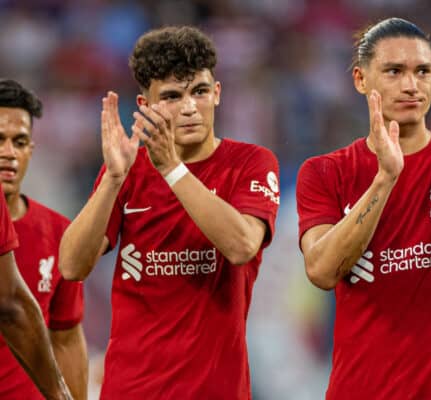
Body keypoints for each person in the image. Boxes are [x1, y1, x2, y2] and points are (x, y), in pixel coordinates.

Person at [296, 18, 431, 399]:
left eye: (422, 71)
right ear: (361, 80)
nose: (411, 85)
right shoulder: (326, 172)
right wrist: (385, 178)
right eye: (394, 71)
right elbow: (321, 271)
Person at [59, 26, 280, 399]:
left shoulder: (250, 163)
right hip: (132, 390)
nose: (190, 107)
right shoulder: (128, 170)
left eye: (200, 91)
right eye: (173, 97)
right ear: (145, 106)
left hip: (216, 390)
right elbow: (71, 266)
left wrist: (172, 169)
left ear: (218, 93)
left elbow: (242, 245)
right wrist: (113, 179)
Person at [0, 81, 77, 399]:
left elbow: (67, 337)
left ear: (31, 149)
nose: (8, 153)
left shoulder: (59, 232)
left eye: (19, 142)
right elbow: (12, 305)